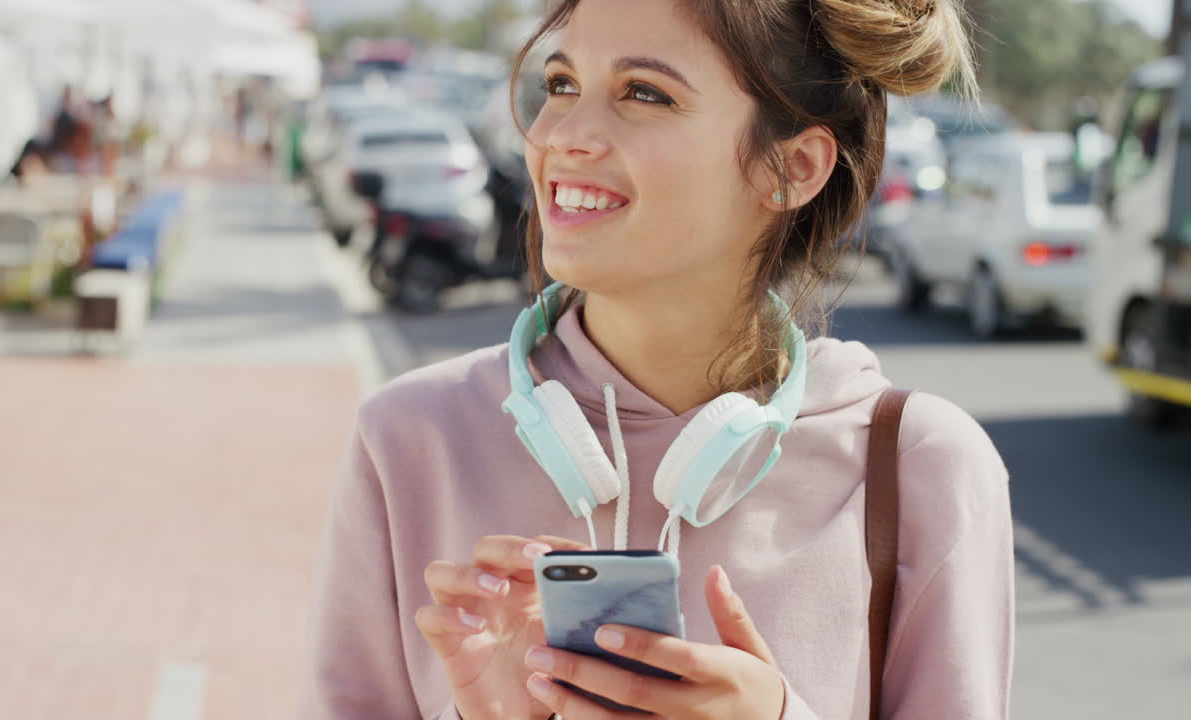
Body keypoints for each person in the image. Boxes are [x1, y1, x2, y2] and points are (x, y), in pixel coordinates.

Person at [303, 1, 1012, 719]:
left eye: (645, 93)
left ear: (793, 166)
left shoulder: (922, 469)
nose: (562, 135)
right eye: (561, 84)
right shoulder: (406, 443)